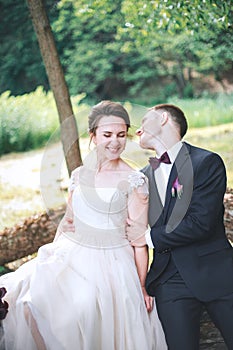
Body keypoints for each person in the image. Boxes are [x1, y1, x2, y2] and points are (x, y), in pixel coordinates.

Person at [0, 101, 167, 350]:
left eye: (121, 135)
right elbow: (68, 222)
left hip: (111, 261)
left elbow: (138, 239)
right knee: (27, 300)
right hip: (71, 253)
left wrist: (142, 286)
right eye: (107, 135)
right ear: (93, 136)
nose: (115, 142)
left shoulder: (134, 179)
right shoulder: (79, 174)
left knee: (83, 308)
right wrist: (53, 257)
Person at [127, 103, 233, 350]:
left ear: (163, 119)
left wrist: (148, 238)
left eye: (144, 122)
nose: (138, 131)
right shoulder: (143, 176)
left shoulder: (205, 162)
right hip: (169, 281)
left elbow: (200, 223)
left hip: (215, 272)